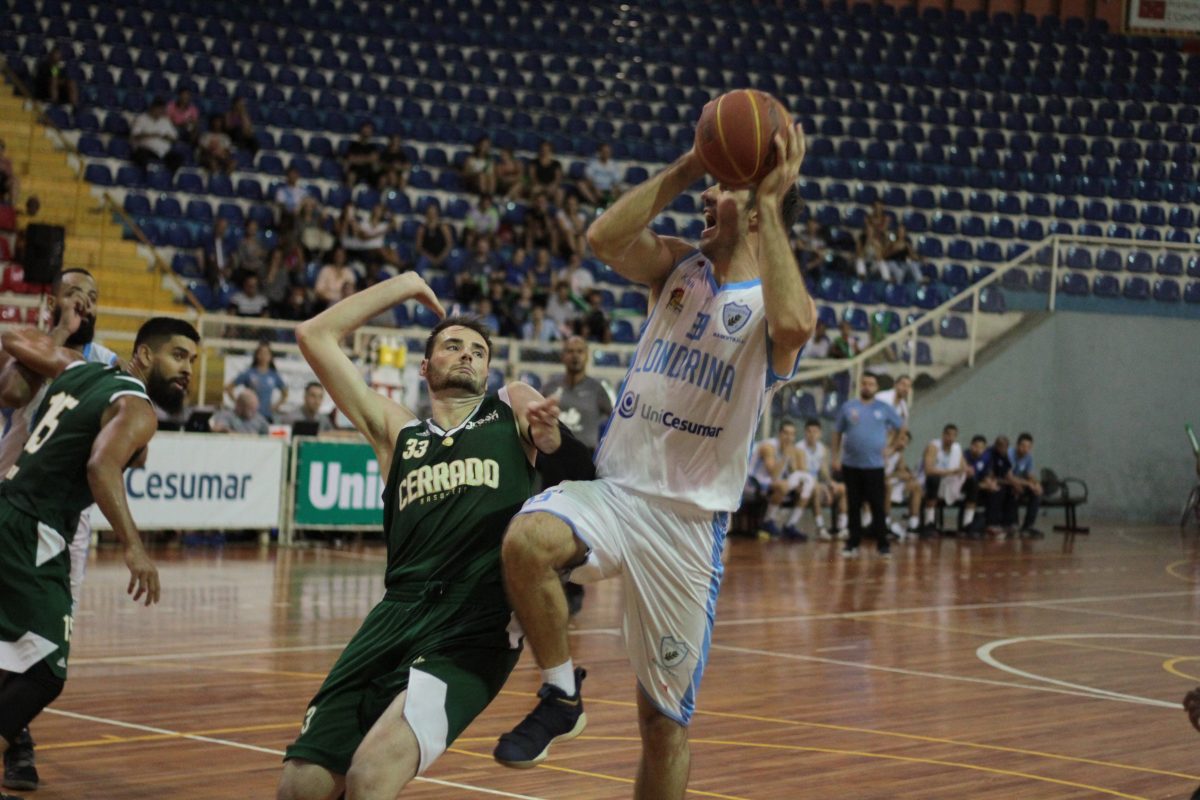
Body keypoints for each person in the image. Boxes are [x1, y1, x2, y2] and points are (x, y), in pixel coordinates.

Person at [492, 122, 813, 800]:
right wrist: (694, 161)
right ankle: (560, 693)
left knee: (662, 725)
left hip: (687, 528)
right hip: (615, 493)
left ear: (759, 213)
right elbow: (603, 239)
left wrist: (768, 200)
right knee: (526, 540)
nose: (706, 196)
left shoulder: (770, 306)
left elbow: (796, 327)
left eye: (722, 188)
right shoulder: (678, 267)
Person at [275, 272, 588, 800]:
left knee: (371, 777)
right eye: (452, 346)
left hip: (475, 623)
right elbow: (314, 336)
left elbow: (569, 458)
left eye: (478, 352)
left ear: (487, 371)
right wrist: (406, 285)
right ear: (424, 367)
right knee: (300, 787)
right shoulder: (399, 433)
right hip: (394, 615)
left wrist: (552, 439)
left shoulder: (508, 407)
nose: (467, 355)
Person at [0, 316, 199, 793]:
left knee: (14, 656)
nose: (188, 369)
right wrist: (134, 547)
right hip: (33, 528)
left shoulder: (79, 368)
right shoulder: (137, 406)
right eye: (178, 355)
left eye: (193, 360)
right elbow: (101, 467)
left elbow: (11, 336)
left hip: (8, 506)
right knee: (44, 671)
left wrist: (50, 334)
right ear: (144, 355)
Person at [0, 270, 115, 793]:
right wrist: (60, 332)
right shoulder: (33, 343)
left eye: (92, 298)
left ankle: (16, 734)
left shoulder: (107, 361)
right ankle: (16, 738)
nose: (84, 303)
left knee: (45, 636)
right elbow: (10, 391)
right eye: (74, 295)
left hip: (66, 518)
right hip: (10, 497)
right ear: (52, 300)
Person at [538, 336, 613, 615]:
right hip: (553, 462)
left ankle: (574, 590)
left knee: (577, 528)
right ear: (562, 355)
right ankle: (549, 588)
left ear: (587, 355)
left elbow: (616, 418)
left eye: (580, 351)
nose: (575, 356)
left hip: (582, 464)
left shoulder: (597, 388)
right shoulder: (550, 386)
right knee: (548, 524)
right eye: (569, 351)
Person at [831, 371, 905, 558]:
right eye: (864, 383)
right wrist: (835, 457)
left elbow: (901, 427)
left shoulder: (884, 408)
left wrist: (891, 448)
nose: (867, 387)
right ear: (860, 386)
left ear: (876, 387)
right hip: (851, 465)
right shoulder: (848, 407)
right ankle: (852, 543)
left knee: (877, 505)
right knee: (853, 504)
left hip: (874, 466)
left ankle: (883, 544)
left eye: (871, 384)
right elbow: (837, 432)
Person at [747, 419, 814, 541]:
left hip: (770, 482)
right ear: (779, 434)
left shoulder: (789, 449)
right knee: (783, 486)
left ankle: (790, 525)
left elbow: (793, 472)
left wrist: (798, 482)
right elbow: (773, 474)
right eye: (786, 433)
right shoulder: (768, 447)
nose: (789, 437)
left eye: (792, 434)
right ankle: (767, 521)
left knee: (805, 486)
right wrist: (785, 456)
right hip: (752, 482)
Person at [921, 423, 977, 537]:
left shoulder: (957, 448)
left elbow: (963, 466)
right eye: (948, 435)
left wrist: (968, 470)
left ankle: (967, 523)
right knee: (933, 480)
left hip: (951, 481)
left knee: (973, 483)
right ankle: (929, 523)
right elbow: (928, 470)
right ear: (943, 435)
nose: (951, 438)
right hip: (933, 480)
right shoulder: (933, 446)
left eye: (954, 435)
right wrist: (950, 472)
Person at [798, 419, 848, 541]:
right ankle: (820, 528)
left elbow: (824, 471)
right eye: (809, 431)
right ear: (805, 433)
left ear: (820, 433)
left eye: (815, 431)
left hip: (818, 485)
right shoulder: (799, 448)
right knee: (815, 488)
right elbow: (803, 473)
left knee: (842, 488)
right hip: (803, 485)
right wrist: (823, 488)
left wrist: (830, 483)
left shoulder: (822, 449)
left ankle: (842, 528)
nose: (812, 434)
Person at [225, 341, 288, 423]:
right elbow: (229, 388)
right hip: (250, 417)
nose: (263, 356)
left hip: (266, 416)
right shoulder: (249, 373)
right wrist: (239, 403)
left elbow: (285, 393)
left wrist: (276, 406)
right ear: (256, 355)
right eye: (261, 353)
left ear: (270, 356)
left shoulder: (273, 375)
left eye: (266, 353)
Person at [883, 430, 922, 539]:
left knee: (916, 486)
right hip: (878, 483)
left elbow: (902, 471)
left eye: (906, 442)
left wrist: (907, 475)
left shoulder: (899, 455)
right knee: (888, 485)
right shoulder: (883, 450)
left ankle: (913, 525)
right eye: (902, 439)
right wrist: (898, 475)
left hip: (891, 482)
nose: (903, 443)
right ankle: (885, 523)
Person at [130, 97, 182, 174]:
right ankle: (145, 176)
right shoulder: (142, 119)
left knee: (178, 157)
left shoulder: (166, 121)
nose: (160, 111)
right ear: (152, 108)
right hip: (147, 150)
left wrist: (168, 137)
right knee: (140, 155)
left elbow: (175, 138)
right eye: (158, 108)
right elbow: (135, 135)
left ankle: (166, 177)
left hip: (163, 152)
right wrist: (152, 134)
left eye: (162, 109)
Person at [1007, 432, 1044, 538]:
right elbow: (1009, 476)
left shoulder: (1028, 457)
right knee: (1015, 489)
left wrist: (1037, 484)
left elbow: (1029, 474)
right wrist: (1028, 484)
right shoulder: (1009, 454)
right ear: (1017, 445)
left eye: (1028, 447)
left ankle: (1028, 526)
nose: (1025, 449)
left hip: (1020, 482)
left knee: (1036, 493)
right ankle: (1013, 524)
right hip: (1006, 482)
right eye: (1023, 446)